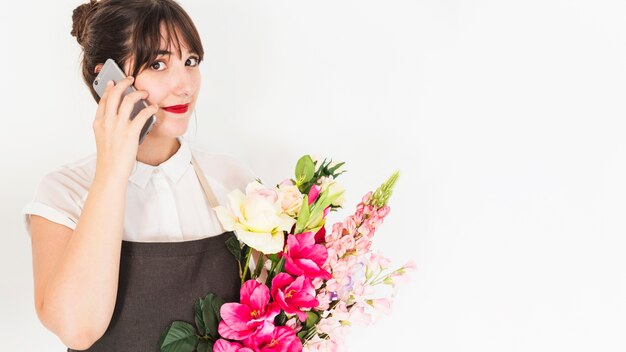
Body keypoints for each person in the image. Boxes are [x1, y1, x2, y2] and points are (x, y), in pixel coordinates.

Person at [21, 0, 256, 350]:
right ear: (108, 79)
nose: (185, 85)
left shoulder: (232, 179)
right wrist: (113, 170)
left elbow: (265, 318)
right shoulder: (63, 193)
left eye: (190, 62)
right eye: (158, 64)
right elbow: (78, 330)